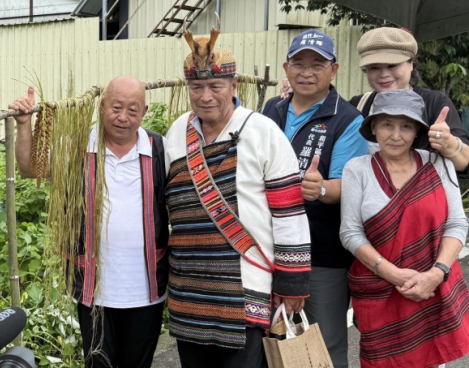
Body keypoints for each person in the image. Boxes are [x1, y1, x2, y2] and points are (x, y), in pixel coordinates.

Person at [163, 25, 311, 367]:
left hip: (245, 291)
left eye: (215, 86)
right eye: (196, 87)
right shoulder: (176, 133)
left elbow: (289, 213)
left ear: (233, 85)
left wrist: (291, 285)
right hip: (191, 293)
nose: (205, 96)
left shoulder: (262, 132)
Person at [9, 76, 169, 368]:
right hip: (95, 291)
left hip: (147, 293)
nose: (123, 117)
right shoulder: (77, 146)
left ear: (144, 112)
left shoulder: (159, 149)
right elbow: (30, 168)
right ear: (102, 106)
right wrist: (24, 125)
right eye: (116, 107)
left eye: (132, 110)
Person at [340, 89, 469, 368]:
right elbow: (350, 232)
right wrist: (394, 274)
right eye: (387, 124)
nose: (395, 135)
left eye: (406, 126)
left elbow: (457, 223)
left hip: (431, 289)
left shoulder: (437, 163)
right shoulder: (357, 169)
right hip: (381, 291)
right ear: (373, 126)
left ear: (417, 131)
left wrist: (436, 274)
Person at [262, 29, 367, 368]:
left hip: (321, 254)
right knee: (272, 339)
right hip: (268, 248)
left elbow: (348, 187)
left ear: (333, 70)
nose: (306, 72)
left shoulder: (348, 120)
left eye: (317, 65)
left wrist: (320, 189)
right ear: (286, 67)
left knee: (323, 343)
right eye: (299, 64)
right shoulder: (272, 109)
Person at [349, 27, 469, 172]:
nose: (384, 74)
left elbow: (464, 163)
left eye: (392, 65)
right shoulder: (357, 106)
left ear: (411, 63)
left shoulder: (435, 103)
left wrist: (449, 144)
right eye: (374, 67)